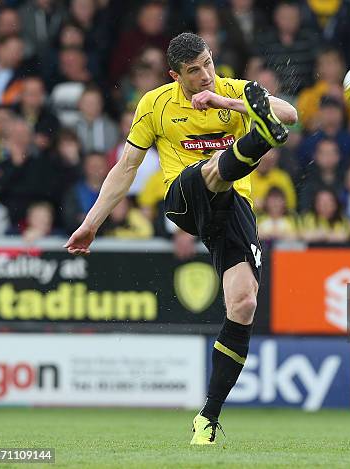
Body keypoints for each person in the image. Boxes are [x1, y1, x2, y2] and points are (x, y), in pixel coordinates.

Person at [64, 32, 297, 444]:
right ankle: (260, 140)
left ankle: (207, 417)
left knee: (244, 303)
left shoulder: (232, 90)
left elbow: (290, 113)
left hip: (233, 209)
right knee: (207, 170)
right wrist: (92, 222)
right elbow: (126, 169)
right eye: (195, 71)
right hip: (184, 199)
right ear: (176, 75)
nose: (206, 75)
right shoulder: (155, 104)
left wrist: (226, 103)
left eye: (208, 63)